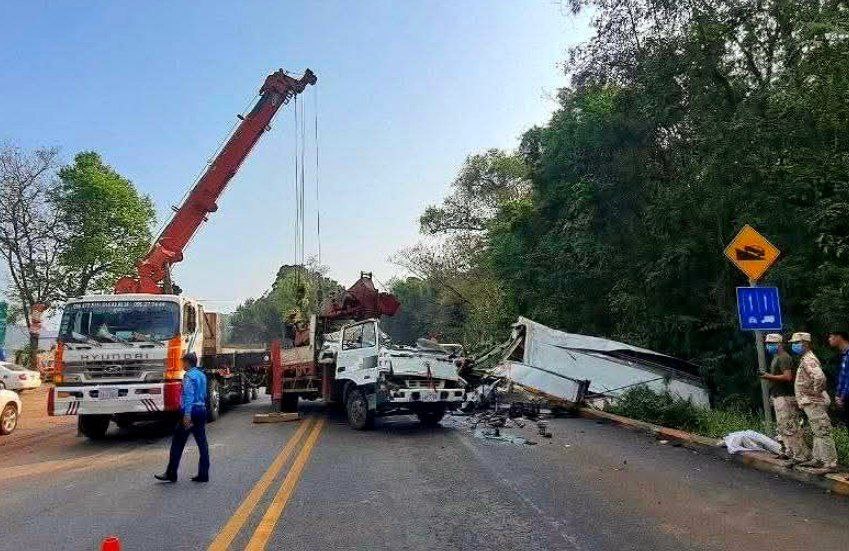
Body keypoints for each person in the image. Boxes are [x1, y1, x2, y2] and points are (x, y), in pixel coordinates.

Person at [155, 352, 210, 482]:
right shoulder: (202, 375)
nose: (182, 364)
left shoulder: (188, 376)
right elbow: (204, 394)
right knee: (202, 443)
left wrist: (187, 415)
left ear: (187, 362)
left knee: (178, 443)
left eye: (183, 362)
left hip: (191, 411)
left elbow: (188, 396)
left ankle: (171, 473)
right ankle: (203, 474)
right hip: (201, 410)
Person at [789, 332, 838, 473]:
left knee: (822, 431)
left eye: (796, 343)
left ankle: (830, 463)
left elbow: (820, 377)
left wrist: (816, 392)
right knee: (817, 431)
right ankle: (818, 459)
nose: (794, 346)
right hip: (810, 402)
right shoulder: (805, 358)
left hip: (814, 402)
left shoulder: (809, 359)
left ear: (805, 343)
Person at [759, 333, 810, 463]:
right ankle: (788, 452)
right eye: (767, 344)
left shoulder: (784, 358)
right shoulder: (776, 357)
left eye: (771, 344)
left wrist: (768, 376)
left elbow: (787, 377)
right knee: (782, 426)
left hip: (786, 396)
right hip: (778, 395)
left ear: (779, 344)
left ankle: (799, 455)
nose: (768, 346)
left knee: (789, 427)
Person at [827, 330, 849, 436]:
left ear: (839, 337)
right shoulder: (844, 355)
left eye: (831, 336)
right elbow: (842, 377)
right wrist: (838, 395)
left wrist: (842, 396)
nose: (829, 339)